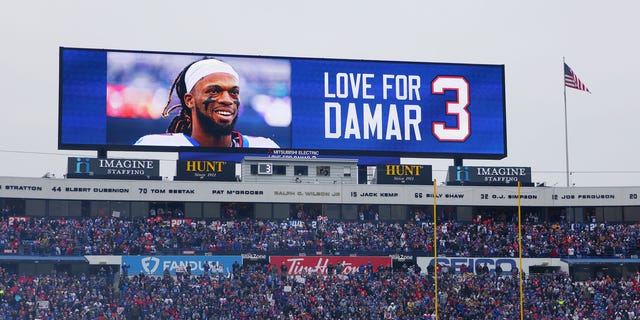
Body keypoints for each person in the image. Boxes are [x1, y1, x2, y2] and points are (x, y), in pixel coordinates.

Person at [135, 58, 279, 148]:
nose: (227, 100)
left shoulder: (264, 148)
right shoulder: (155, 146)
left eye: (233, 92)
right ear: (189, 100)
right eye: (214, 91)